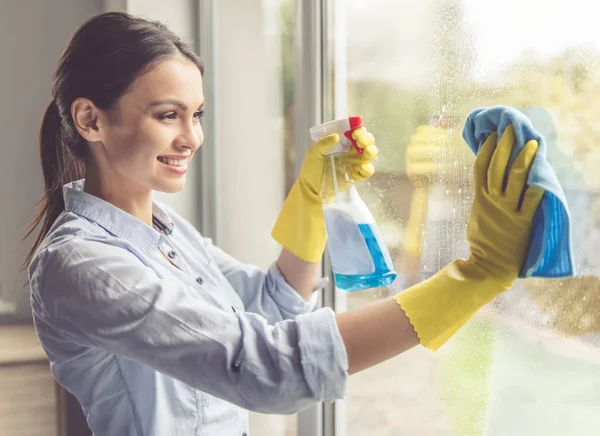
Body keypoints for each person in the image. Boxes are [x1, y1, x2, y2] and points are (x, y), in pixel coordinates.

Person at [25, 11, 544, 436]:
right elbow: (268, 369)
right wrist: (472, 277)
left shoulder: (167, 232)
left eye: (197, 114)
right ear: (91, 119)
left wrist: (313, 195)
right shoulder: (83, 264)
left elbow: (273, 305)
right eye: (167, 115)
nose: (191, 138)